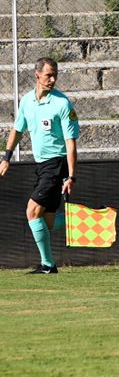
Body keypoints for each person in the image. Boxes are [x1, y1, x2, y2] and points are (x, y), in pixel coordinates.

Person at [0, 57, 80, 274]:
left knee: (32, 211)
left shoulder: (62, 103)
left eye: (55, 75)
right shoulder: (26, 101)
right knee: (48, 221)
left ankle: (48, 265)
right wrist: (6, 156)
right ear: (37, 75)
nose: (52, 79)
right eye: (48, 75)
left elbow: (70, 143)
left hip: (57, 163)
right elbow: (17, 130)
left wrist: (71, 176)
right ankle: (87, 219)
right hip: (42, 166)